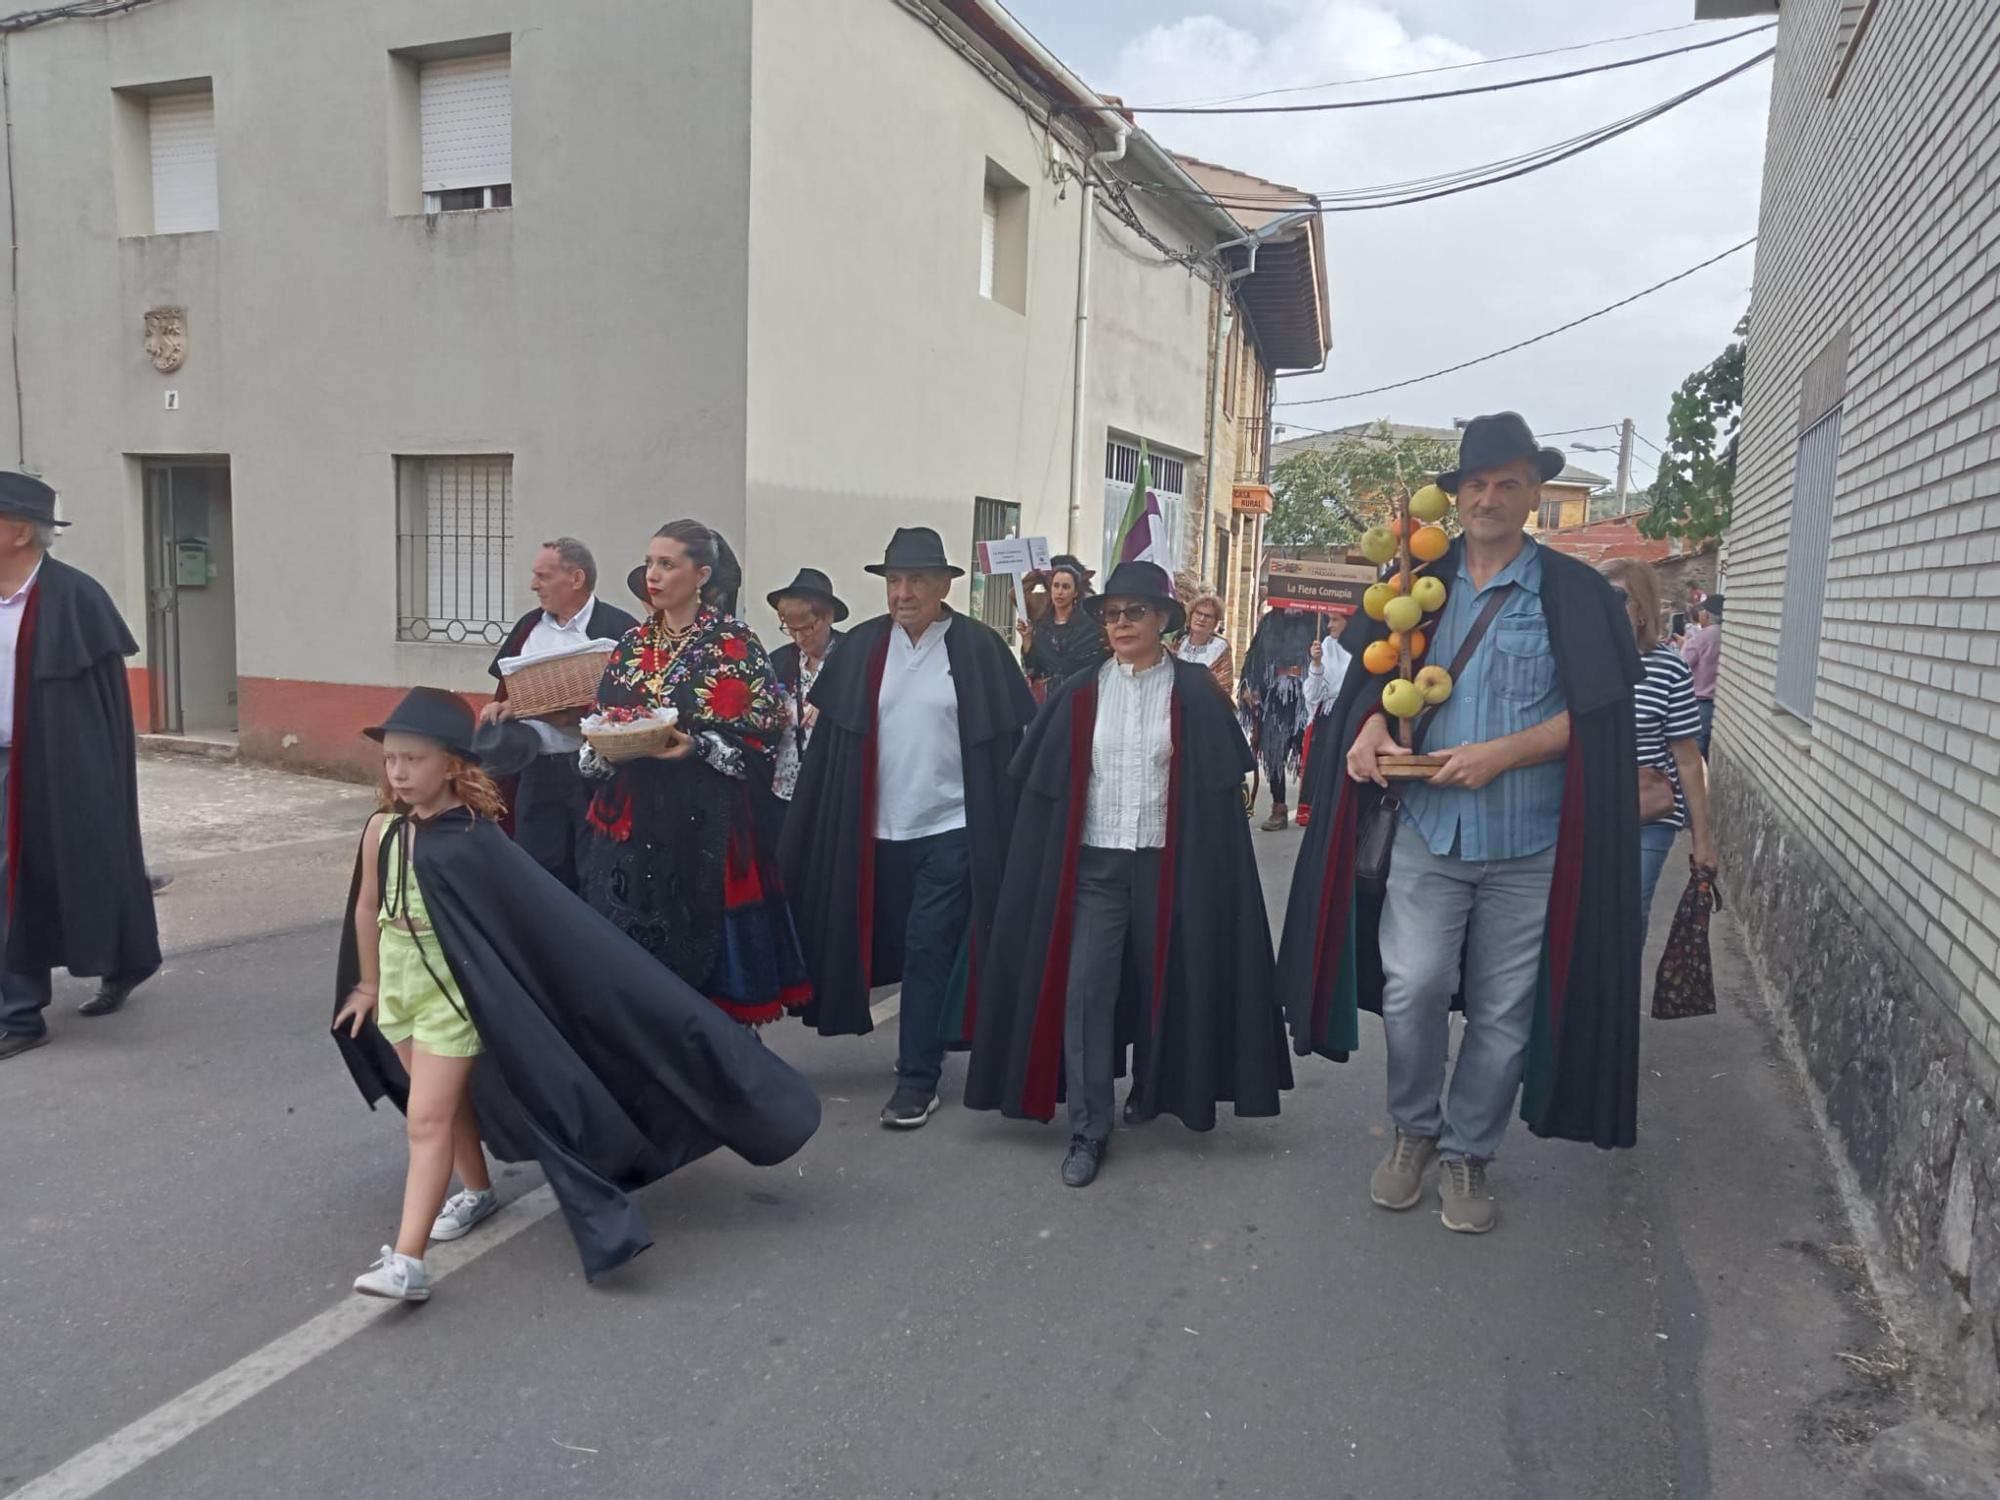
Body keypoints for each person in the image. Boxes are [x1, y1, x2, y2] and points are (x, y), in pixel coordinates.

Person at [1275, 411, 1643, 1235]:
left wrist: (1506, 752)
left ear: (1534, 496)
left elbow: (1597, 716)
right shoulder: (1412, 586)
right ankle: (1413, 1131)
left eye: (1507, 483)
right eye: (1475, 484)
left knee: (1504, 1010)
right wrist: (1369, 728)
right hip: (1429, 832)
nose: (1488, 497)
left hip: (1530, 841)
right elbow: (1370, 690)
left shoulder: (1573, 594)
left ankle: (1470, 1150)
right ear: (1457, 496)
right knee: (1412, 989)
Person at [333, 688, 820, 1298]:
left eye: (415, 759)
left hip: (453, 998)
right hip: (403, 990)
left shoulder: (472, 840)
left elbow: (539, 924)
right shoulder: (381, 829)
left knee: (426, 1120)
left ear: (454, 763)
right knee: (445, 1107)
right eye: (392, 760)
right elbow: (367, 907)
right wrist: (368, 985)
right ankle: (478, 1191)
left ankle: (407, 1259)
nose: (399, 772)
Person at [965, 561, 1291, 1186]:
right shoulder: (1079, 692)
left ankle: (1155, 1089)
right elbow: (1047, 790)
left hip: (1172, 864)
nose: (1120, 624)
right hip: (1095, 867)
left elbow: (1218, 792)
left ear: (1163, 621)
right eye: (1111, 614)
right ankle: (1088, 1126)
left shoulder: (1194, 692)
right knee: (1086, 991)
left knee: (1170, 979)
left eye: (1133, 613)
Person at [781, 526, 1038, 1128]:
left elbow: (1006, 750)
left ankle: (917, 1078)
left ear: (945, 584)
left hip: (952, 828)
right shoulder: (865, 647)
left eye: (916, 580)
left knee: (929, 948)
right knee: (874, 940)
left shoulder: (977, 648)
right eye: (895, 581)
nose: (903, 592)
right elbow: (835, 746)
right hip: (873, 832)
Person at [578, 520, 809, 1026]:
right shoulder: (634, 642)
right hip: (632, 824)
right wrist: (604, 747)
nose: (653, 575)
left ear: (701, 574)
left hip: (709, 820)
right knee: (629, 955)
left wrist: (697, 746)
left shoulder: (735, 642)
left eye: (667, 564)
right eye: (650, 563)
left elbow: (765, 730)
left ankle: (728, 1073)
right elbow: (603, 716)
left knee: (714, 965)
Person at [0, 472, 159, 1061]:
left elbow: (103, 705)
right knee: (8, 882)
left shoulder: (75, 597)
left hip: (59, 758)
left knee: (92, 861)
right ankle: (18, 1011)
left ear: (21, 533)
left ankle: (123, 959)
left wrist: (96, 772)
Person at [481, 538, 638, 891]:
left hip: (598, 773)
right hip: (537, 769)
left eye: (543, 576)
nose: (534, 585)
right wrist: (500, 707)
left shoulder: (620, 629)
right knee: (535, 870)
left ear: (576, 578)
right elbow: (509, 690)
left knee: (595, 868)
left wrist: (579, 717)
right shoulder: (528, 628)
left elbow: (637, 704)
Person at [1601, 560, 1717, 923]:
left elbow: (1687, 758)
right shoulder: (1574, 662)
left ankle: (1622, 982)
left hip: (1647, 814)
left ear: (1641, 610)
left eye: (1617, 597)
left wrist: (1701, 839)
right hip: (1584, 812)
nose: (1605, 606)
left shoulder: (1668, 668)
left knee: (1629, 916)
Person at [766, 567, 848, 806]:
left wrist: (830, 704)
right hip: (784, 788)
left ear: (829, 617)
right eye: (791, 629)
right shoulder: (778, 661)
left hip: (831, 790)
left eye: (808, 628)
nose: (800, 638)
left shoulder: (851, 655)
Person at [1237, 604, 1319, 829]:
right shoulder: (1270, 622)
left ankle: (1310, 807)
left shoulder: (1318, 619)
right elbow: (1255, 657)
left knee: (1311, 752)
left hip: (1309, 695)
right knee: (1274, 753)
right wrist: (1250, 686)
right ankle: (1279, 808)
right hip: (1275, 698)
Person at [1294, 616, 1354, 829]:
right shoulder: (1326, 645)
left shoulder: (1364, 647)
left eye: (1335, 620)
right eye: (1328, 620)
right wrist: (1316, 664)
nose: (1329, 625)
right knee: (1321, 767)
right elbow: (1312, 694)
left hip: (1352, 718)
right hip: (1327, 717)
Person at [1020, 555, 1108, 694]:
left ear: (1075, 592)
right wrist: (1027, 639)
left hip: (1078, 698)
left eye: (1066, 587)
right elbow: (1032, 670)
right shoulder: (1041, 626)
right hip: (1047, 702)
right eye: (1056, 586)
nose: (1060, 592)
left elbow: (1096, 668)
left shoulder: (1090, 626)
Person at [1681, 594, 1722, 758]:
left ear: (1707, 615)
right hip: (1721, 703)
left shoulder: (1701, 637)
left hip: (1702, 701)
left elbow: (1683, 664)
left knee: (1697, 751)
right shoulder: (1729, 634)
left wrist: (1683, 644)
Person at [1174, 592, 1234, 697]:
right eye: (1198, 613)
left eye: (1208, 616)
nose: (1202, 619)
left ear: (1215, 623)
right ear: (1191, 616)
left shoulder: (1219, 648)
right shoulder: (1179, 643)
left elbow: (1224, 688)